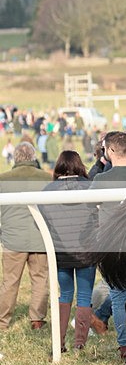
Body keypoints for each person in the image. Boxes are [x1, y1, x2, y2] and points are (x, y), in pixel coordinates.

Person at [39, 151, 98, 351]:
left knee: (64, 295)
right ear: (79, 165)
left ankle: (60, 341)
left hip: (60, 252)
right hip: (86, 252)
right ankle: (79, 343)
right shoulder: (90, 188)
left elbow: (42, 222)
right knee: (84, 296)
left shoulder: (47, 191)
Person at [0, 141, 50, 331]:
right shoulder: (46, 177)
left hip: (13, 239)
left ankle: (3, 321)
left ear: (15, 158)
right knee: (40, 280)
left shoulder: (3, 179)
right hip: (40, 237)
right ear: (34, 157)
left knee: (10, 282)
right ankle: (37, 320)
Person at [90, 131, 126, 358]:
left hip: (110, 244)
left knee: (118, 294)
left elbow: (90, 205)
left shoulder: (102, 179)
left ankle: (125, 344)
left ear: (111, 151)